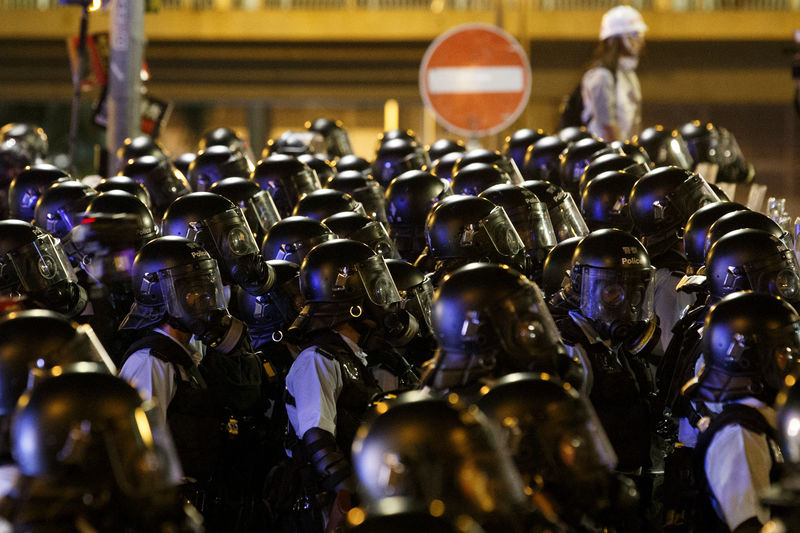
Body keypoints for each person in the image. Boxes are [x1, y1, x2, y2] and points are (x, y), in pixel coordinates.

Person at [682, 291, 800, 532]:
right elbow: (750, 526)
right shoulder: (740, 435)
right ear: (749, 358)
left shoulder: (764, 418)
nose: (793, 362)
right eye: (783, 353)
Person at [581, 5, 648, 142]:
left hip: (623, 153)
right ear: (616, 39)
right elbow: (608, 127)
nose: (641, 42)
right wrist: (621, 157)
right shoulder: (601, 77)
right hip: (606, 156)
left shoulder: (629, 76)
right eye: (634, 35)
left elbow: (634, 124)